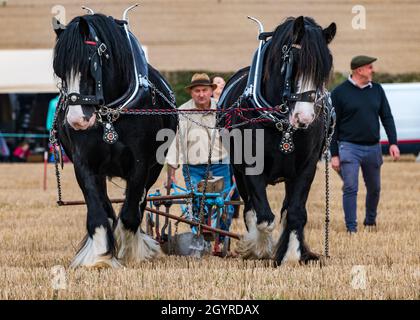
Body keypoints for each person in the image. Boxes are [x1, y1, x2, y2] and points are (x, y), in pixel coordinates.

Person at [330, 55, 400, 233]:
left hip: (373, 148)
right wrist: (334, 154)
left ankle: (370, 222)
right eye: (370, 67)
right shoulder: (338, 93)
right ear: (359, 70)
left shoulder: (377, 90)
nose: (373, 70)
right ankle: (351, 228)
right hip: (348, 147)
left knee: (375, 188)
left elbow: (387, 117)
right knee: (351, 187)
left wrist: (393, 143)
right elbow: (332, 126)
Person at [166, 73, 234, 246]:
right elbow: (175, 145)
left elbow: (234, 140)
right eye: (197, 91)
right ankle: (202, 241)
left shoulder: (223, 109)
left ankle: (220, 240)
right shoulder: (183, 112)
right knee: (197, 205)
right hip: (193, 168)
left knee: (225, 206)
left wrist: (238, 171)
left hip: (221, 166)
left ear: (212, 91)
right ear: (191, 93)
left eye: (205, 90)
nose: (201, 94)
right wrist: (171, 175)